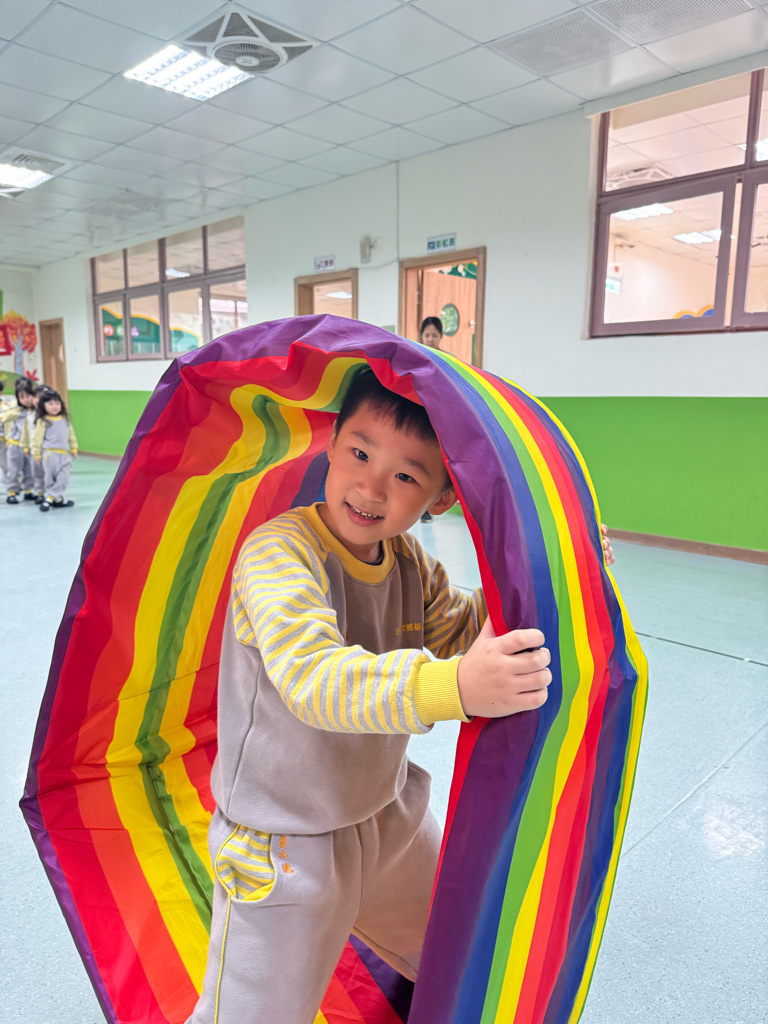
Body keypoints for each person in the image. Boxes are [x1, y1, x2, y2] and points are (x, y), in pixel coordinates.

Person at [186, 369, 554, 1024]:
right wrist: (455, 687)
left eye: (406, 475)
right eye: (360, 452)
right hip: (283, 843)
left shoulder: (409, 562)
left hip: (387, 819)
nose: (371, 486)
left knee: (465, 951)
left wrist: (555, 570)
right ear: (331, 444)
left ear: (443, 498)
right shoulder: (277, 554)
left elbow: (466, 628)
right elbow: (314, 677)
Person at [31, 388, 78, 512]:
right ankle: (57, 500)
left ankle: (49, 498)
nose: (54, 406)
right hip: (50, 454)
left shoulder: (64, 419)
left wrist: (73, 447)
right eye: (50, 404)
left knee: (63, 477)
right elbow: (37, 438)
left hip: (64, 455)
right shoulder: (43, 421)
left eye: (57, 403)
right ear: (43, 405)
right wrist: (36, 453)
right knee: (50, 479)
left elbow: (71, 434)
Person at [2, 377, 36, 504]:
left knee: (29, 469)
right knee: (14, 469)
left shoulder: (35, 409)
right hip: (15, 444)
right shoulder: (15, 409)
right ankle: (11, 492)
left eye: (28, 396)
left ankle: (28, 490)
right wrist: (7, 440)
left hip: (30, 445)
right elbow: (4, 419)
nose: (26, 400)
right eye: (22, 397)